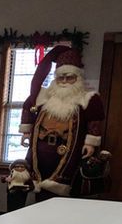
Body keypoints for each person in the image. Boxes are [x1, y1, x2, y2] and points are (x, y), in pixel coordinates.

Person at [20, 45, 105, 200]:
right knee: (39, 192)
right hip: (40, 151)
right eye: (61, 78)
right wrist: (26, 131)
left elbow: (95, 121)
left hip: (67, 153)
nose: (64, 81)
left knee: (62, 193)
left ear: (78, 78)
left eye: (70, 77)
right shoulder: (44, 96)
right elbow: (28, 106)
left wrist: (91, 143)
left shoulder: (87, 99)